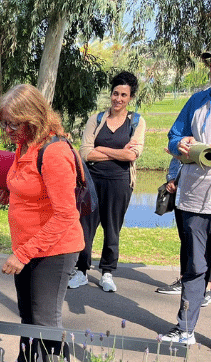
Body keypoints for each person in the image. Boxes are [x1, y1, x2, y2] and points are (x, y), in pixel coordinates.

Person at [161, 40, 211, 352]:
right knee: (194, 269)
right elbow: (172, 137)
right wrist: (179, 145)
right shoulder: (197, 101)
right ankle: (184, 329)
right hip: (194, 200)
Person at [0, 84, 84, 362]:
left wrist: (22, 254)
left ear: (33, 118)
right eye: (4, 123)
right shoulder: (25, 145)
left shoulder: (54, 153)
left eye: (12, 124)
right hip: (29, 248)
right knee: (28, 319)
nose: (6, 131)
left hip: (54, 250)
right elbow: (34, 188)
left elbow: (65, 215)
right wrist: (10, 193)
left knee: (45, 324)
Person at [69, 71, 146, 292]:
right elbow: (85, 153)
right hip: (92, 181)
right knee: (85, 227)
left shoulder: (137, 122)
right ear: (110, 94)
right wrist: (115, 152)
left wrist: (101, 149)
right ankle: (81, 270)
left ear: (130, 97)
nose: (118, 99)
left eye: (124, 95)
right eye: (115, 93)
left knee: (113, 229)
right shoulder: (97, 119)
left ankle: (107, 272)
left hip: (120, 182)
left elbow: (132, 155)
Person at [155, 157, 211, 309]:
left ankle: (207, 288)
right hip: (182, 192)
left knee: (210, 239)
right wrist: (171, 179)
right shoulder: (185, 135)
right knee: (185, 236)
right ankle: (184, 281)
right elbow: (176, 157)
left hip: (207, 191)